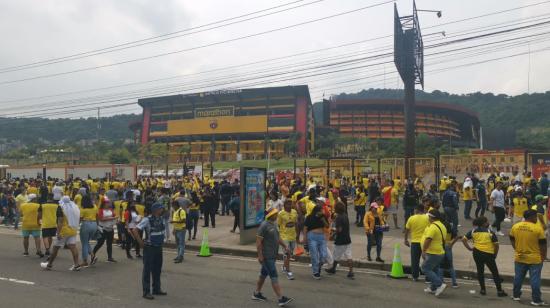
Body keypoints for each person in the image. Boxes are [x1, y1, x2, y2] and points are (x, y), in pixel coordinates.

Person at [252, 207, 293, 307]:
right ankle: (280, 298)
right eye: (275, 214)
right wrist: (260, 255)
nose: (277, 215)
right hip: (267, 256)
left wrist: (285, 246)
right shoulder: (264, 226)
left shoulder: (274, 224)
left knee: (263, 274)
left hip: (272, 255)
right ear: (271, 215)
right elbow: (258, 242)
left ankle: (256, 293)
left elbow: (277, 237)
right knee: (273, 275)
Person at [462, 216, 507, 297]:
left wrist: (469, 248)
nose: (488, 223)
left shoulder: (473, 231)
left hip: (476, 253)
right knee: (495, 272)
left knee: (480, 271)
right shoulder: (490, 232)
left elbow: (463, 239)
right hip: (488, 254)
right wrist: (495, 254)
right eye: (487, 222)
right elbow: (496, 245)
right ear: (483, 223)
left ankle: (483, 290)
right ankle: (499, 291)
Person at [509, 209, 547, 306]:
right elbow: (543, 246)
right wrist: (543, 257)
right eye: (536, 217)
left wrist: (517, 249)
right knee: (535, 279)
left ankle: (516, 295)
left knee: (518, 277)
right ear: (532, 217)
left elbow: (512, 240)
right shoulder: (538, 229)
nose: (536, 219)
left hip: (520, 256)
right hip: (534, 258)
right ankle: (536, 300)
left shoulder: (515, 226)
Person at [132, 203, 167, 300]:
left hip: (158, 247)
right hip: (150, 248)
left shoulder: (161, 219)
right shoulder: (147, 219)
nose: (162, 210)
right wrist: (140, 243)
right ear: (155, 210)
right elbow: (135, 230)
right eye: (161, 208)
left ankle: (156, 288)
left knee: (157, 269)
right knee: (147, 270)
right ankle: (146, 292)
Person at [40, 196, 81, 271]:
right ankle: (76, 264)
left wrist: (58, 232)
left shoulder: (61, 208)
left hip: (64, 231)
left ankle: (49, 265)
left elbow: (60, 221)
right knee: (73, 247)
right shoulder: (74, 208)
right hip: (73, 230)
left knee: (55, 248)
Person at [421, 210, 447, 297]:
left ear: (431, 217)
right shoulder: (441, 225)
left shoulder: (433, 227)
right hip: (439, 252)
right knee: (434, 270)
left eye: (429, 216)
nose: (428, 218)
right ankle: (433, 288)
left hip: (433, 253)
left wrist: (424, 250)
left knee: (425, 268)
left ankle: (439, 284)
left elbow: (428, 239)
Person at [325, 201, 354, 279]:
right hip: (347, 239)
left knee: (336, 255)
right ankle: (351, 271)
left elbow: (339, 229)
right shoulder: (345, 215)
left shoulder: (339, 217)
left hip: (340, 240)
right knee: (349, 256)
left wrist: (333, 234)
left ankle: (333, 269)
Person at [404, 205, 430, 281]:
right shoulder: (427, 218)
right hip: (425, 242)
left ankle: (415, 276)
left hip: (415, 242)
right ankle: (428, 277)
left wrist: (405, 240)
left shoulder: (411, 218)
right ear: (423, 210)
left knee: (415, 261)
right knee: (427, 260)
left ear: (416, 210)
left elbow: (407, 230)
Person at [304, 203, 329, 279]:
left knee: (324, 255)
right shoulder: (309, 217)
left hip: (321, 236)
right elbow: (305, 228)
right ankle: (315, 272)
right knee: (314, 255)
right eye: (321, 210)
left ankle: (318, 267)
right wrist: (305, 238)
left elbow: (327, 226)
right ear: (317, 211)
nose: (322, 211)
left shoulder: (323, 217)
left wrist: (323, 219)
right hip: (312, 236)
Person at [91, 196, 117, 263]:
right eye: (106, 203)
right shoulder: (100, 210)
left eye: (108, 202)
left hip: (110, 228)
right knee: (100, 243)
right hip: (103, 228)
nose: (108, 204)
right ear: (103, 203)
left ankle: (110, 257)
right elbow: (101, 219)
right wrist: (111, 218)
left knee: (109, 243)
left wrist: (115, 218)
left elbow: (115, 216)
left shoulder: (111, 210)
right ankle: (92, 254)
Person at [277, 199, 298, 280]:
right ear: (284, 205)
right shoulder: (281, 214)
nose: (289, 206)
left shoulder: (294, 212)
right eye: (288, 204)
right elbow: (278, 226)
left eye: (291, 204)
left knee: (290, 254)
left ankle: (284, 266)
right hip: (284, 237)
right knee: (287, 254)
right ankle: (288, 272)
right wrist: (278, 237)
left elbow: (295, 224)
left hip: (293, 236)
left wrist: (297, 235)